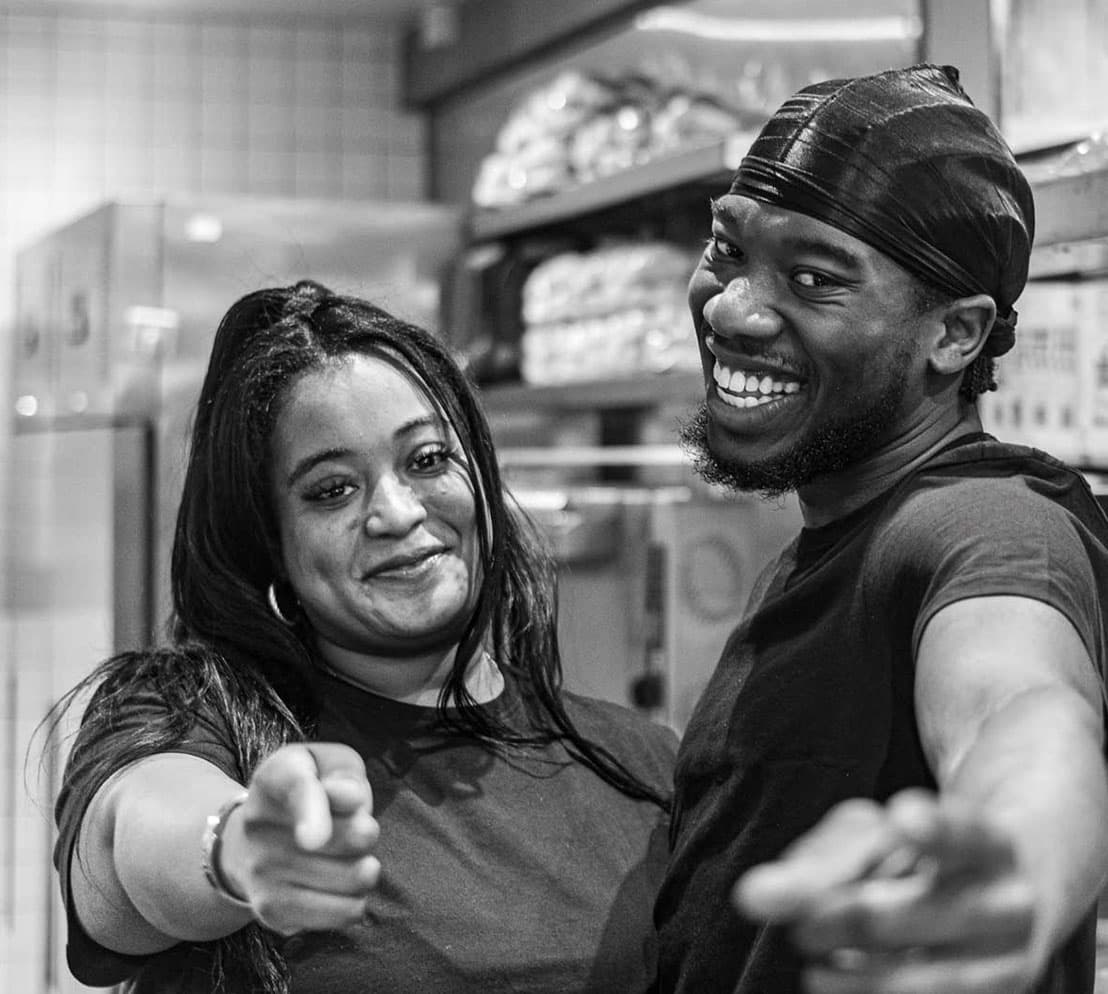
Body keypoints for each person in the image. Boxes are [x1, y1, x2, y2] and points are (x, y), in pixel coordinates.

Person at [49, 281, 677, 994]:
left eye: (428, 460)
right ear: (270, 544)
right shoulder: (199, 717)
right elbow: (126, 840)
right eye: (331, 489)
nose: (398, 512)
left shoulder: (642, 763)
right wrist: (237, 845)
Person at [653, 63, 1108, 994]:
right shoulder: (838, 532)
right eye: (729, 248)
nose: (733, 307)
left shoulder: (981, 525)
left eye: (814, 279)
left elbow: (1021, 710)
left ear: (956, 335)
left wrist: (1011, 866)